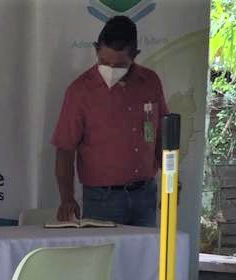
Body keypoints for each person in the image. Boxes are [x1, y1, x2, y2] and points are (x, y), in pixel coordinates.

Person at [51, 15, 170, 227]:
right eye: (105, 62)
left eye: (120, 64)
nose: (111, 69)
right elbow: (64, 149)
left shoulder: (150, 82)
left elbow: (162, 136)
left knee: (146, 249)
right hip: (102, 200)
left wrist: (170, 181)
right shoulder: (80, 91)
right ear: (96, 50)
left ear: (135, 55)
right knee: (105, 250)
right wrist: (67, 198)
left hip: (145, 195)